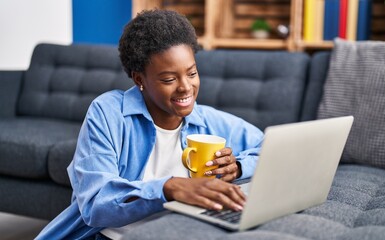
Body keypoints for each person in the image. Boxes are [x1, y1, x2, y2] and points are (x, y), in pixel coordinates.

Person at [36, 9, 263, 240]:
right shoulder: (108, 113)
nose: (185, 87)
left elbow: (267, 147)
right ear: (139, 79)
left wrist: (239, 167)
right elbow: (96, 204)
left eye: (192, 73)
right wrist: (169, 188)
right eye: (169, 79)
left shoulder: (205, 120)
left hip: (183, 231)